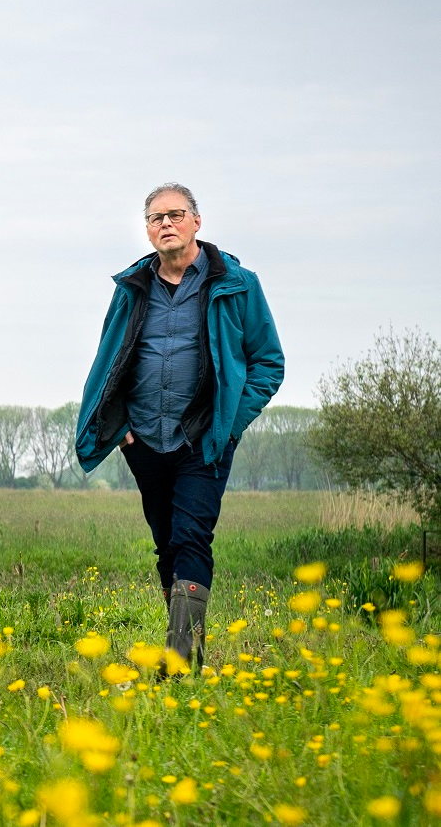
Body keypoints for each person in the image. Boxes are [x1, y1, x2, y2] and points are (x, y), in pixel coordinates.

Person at [76, 183, 284, 672]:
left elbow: (268, 363)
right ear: (147, 231)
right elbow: (112, 358)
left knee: (192, 537)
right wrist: (120, 425)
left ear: (196, 221)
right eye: (155, 218)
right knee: (167, 542)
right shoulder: (133, 287)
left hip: (204, 440)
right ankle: (183, 650)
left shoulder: (237, 284)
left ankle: (180, 662)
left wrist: (230, 422)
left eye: (174, 214)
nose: (165, 224)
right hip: (144, 437)